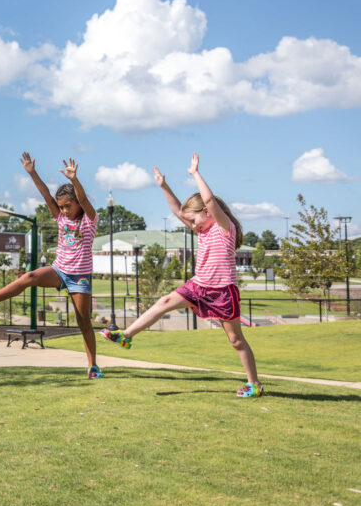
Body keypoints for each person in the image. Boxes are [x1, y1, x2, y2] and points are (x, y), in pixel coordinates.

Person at [101, 153, 263, 398]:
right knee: (163, 302)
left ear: (208, 212)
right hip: (198, 286)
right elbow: (178, 211)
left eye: (195, 218)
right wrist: (164, 186)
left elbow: (208, 199)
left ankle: (255, 384)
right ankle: (125, 336)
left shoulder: (223, 228)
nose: (193, 225)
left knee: (235, 340)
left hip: (222, 291)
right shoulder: (203, 231)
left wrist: (195, 174)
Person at [0, 152, 102, 378]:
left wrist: (74, 181)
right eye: (61, 207)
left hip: (79, 276)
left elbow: (85, 201)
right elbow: (46, 196)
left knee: (83, 322)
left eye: (68, 206)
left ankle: (93, 365)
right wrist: (32, 173)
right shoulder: (61, 218)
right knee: (29, 276)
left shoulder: (89, 219)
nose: (64, 211)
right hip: (59, 270)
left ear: (78, 203)